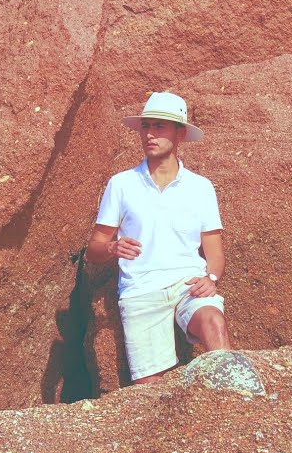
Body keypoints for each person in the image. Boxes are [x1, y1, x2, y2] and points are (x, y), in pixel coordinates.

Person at [84, 91, 232, 385]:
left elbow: (215, 252)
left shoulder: (201, 188)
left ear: (180, 134)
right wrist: (112, 247)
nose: (150, 134)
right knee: (149, 389)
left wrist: (211, 278)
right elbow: (94, 249)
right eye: (146, 126)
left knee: (214, 322)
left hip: (187, 285)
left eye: (159, 126)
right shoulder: (121, 184)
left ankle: (233, 396)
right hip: (141, 290)